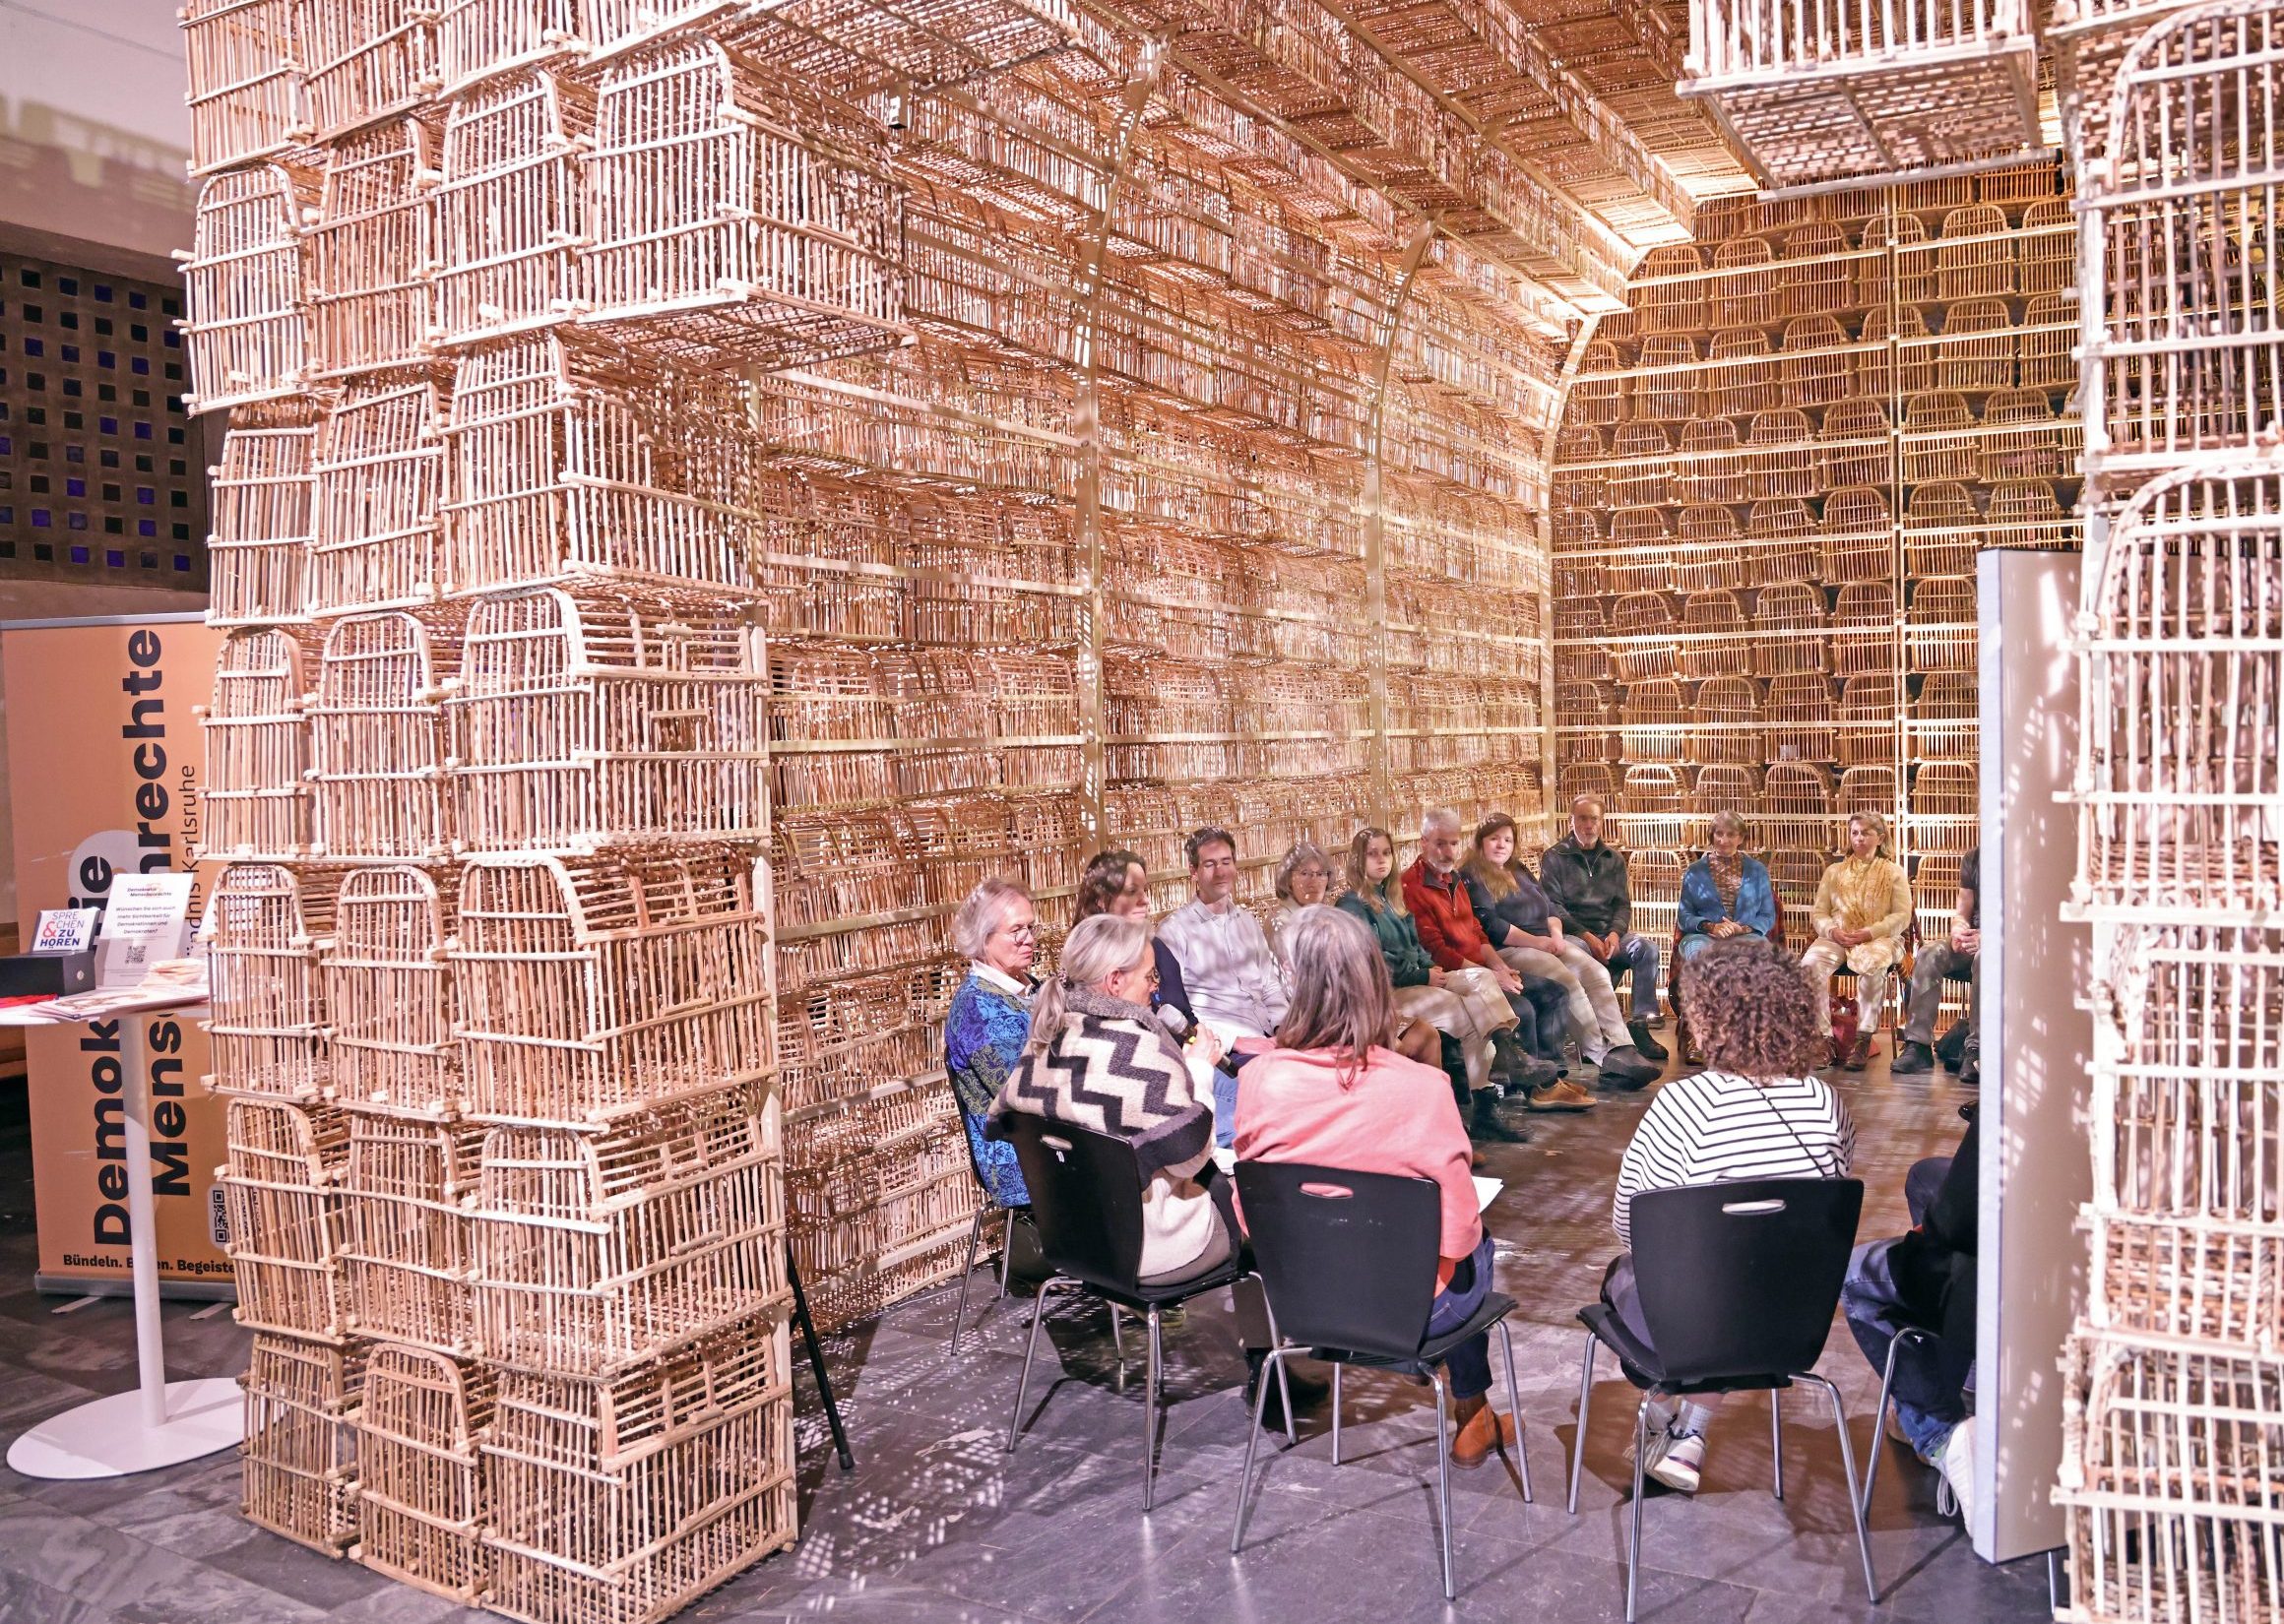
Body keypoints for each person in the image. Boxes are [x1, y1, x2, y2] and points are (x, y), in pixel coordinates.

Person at [989, 911, 1325, 1428]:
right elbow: (1191, 1152)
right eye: (1150, 975)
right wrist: (1199, 1071)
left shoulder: (1043, 1041)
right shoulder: (1136, 1048)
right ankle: (1272, 1374)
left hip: (1077, 1246)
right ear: (1114, 981)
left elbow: (1005, 1118)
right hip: (1147, 1250)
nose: (1158, 987)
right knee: (1257, 1207)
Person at [1236, 905, 1522, 1470]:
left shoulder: (1258, 1079)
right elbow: (1458, 1235)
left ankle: (1463, 1399)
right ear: (1375, 982)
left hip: (1303, 1303)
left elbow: (1252, 1218)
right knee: (1477, 1242)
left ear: (1293, 983)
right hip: (1414, 1311)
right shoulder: (1422, 1088)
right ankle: (1472, 1411)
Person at [1606, 937, 1856, 1493]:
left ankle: (1667, 1414)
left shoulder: (1683, 1105)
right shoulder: (1825, 1103)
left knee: (1636, 1276)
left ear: (1707, 1018)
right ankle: (1689, 1432)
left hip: (1688, 1327)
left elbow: (1631, 1225)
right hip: (1793, 1323)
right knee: (1746, 1269)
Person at [1339, 826, 1533, 1149]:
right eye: (1372, 854)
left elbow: (1416, 945)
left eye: (1386, 853)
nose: (1381, 860)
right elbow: (1373, 961)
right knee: (1470, 1015)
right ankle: (1483, 1105)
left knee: (1482, 978)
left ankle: (1505, 1051)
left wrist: (1430, 967)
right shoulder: (1353, 905)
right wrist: (1422, 975)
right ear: (1358, 860)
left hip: (1421, 977)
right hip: (1387, 992)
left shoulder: (1393, 898)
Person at [1401, 811, 1575, 1136]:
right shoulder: (1412, 886)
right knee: (1520, 1008)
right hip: (1453, 973)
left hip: (1478, 968)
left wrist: (1498, 966)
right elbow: (1437, 950)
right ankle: (1521, 1084)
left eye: (1453, 844)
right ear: (1423, 843)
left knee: (1553, 991)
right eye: (1440, 844)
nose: (1448, 852)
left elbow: (1478, 932)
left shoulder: (1453, 879)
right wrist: (1490, 973)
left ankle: (1548, 1079)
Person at [1842, 1106, 1978, 1522]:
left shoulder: (2010, 1102)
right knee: (1925, 1176)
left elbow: (1956, 1220)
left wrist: (1933, 1232)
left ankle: (1941, 1431)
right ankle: (1965, 1374)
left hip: (2000, 1273)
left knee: (1856, 1275)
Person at [1461, 813, 1657, 1092]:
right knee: (1567, 979)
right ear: (1481, 842)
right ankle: (1601, 1054)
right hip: (1510, 949)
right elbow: (1492, 925)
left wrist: (1555, 935)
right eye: (1494, 839)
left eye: (1507, 839)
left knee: (1596, 972)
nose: (1501, 845)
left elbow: (1550, 907)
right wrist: (1538, 942)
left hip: (1546, 940)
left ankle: (1621, 1046)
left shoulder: (1518, 869)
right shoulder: (1472, 875)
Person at [1074, 847, 1243, 1143]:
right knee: (1249, 1119)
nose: (1144, 900)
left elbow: (1185, 1015)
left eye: (1145, 890)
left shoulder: (1155, 947)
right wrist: (1195, 1066)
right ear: (1102, 899)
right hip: (1160, 1086)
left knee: (1265, 1091)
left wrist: (1206, 1045)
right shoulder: (1093, 964)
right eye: (1132, 891)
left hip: (1190, 1062)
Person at [1541, 796, 1670, 1062]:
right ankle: (1591, 1034)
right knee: (1577, 953)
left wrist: (1614, 934)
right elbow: (1554, 907)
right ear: (1571, 821)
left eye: (1594, 819)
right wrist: (1587, 936)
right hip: (1575, 935)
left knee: (1647, 950)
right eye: (1582, 818)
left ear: (1602, 822)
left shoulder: (1614, 859)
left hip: (1608, 934)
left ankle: (1639, 1026)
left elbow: (1622, 905)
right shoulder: (1554, 857)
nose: (1588, 825)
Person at [946, 877, 1038, 1208]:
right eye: (1017, 930)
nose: (1029, 939)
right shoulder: (977, 1008)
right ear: (984, 937)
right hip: (1023, 1159)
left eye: (1031, 927)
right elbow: (1023, 1092)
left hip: (1056, 1139)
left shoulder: (1028, 986)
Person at [1157, 827, 1290, 1050]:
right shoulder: (1174, 931)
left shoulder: (1247, 922)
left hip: (1269, 1036)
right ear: (1194, 871)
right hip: (1223, 1049)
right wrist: (1234, 1042)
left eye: (1226, 862)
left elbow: (1269, 987)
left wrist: (1284, 1028)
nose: (1220, 872)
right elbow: (1175, 1010)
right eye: (1210, 864)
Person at [1800, 811, 1914, 1072]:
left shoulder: (1894, 873)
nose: (1859, 838)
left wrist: (1870, 933)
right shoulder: (1834, 872)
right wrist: (1832, 931)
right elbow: (1819, 913)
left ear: (1880, 838)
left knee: (1873, 964)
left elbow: (1902, 916)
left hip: (1880, 937)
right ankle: (1823, 1039)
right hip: (1838, 935)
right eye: (1854, 833)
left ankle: (1862, 1038)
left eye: (1865, 833)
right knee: (1809, 966)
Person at [1894, 845, 1979, 1084]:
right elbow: (1963, 909)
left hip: (2006, 945)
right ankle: (1918, 1045)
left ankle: (1976, 1049)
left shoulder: (2021, 857)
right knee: (1929, 953)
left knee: (1986, 959)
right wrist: (1959, 930)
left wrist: (1989, 938)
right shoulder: (1974, 858)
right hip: (1971, 939)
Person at [1677, 810, 1777, 964]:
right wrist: (1711, 927)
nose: (1723, 840)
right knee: (1699, 954)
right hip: (1703, 937)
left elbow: (1767, 916)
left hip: (1747, 937)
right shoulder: (1694, 871)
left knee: (1755, 956)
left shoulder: (1758, 871)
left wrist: (1742, 929)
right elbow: (1684, 916)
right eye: (1719, 834)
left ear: (1741, 838)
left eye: (1731, 835)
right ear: (1711, 836)